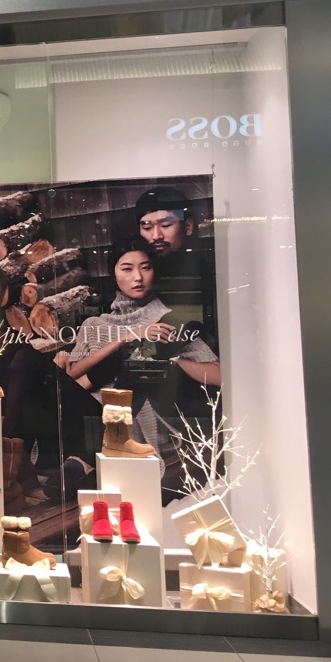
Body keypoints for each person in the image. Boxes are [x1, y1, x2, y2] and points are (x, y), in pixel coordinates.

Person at [63, 237, 220, 458]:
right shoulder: (94, 324)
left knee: (135, 368)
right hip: (90, 416)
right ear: (114, 274)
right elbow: (71, 377)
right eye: (127, 269)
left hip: (144, 415)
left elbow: (218, 375)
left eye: (146, 268)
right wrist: (127, 337)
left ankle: (112, 444)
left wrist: (169, 360)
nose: (138, 277)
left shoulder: (166, 322)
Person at [133, 186, 218, 349]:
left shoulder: (207, 267)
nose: (156, 236)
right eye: (147, 228)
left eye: (165, 225)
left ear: (188, 226)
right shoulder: (136, 275)